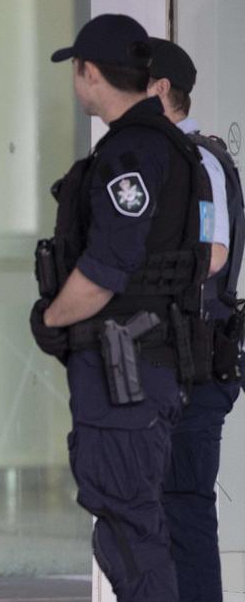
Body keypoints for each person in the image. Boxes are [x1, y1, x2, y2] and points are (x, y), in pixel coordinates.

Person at [30, 15, 213, 602]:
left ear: (89, 73)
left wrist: (50, 318)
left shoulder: (133, 151)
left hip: (124, 372)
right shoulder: (174, 148)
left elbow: (106, 269)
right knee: (139, 525)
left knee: (130, 531)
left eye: (76, 71)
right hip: (149, 366)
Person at [149, 37, 243, 602]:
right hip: (172, 366)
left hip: (193, 367)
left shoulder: (197, 160)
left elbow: (212, 252)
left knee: (183, 518)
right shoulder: (170, 157)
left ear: (160, 90)